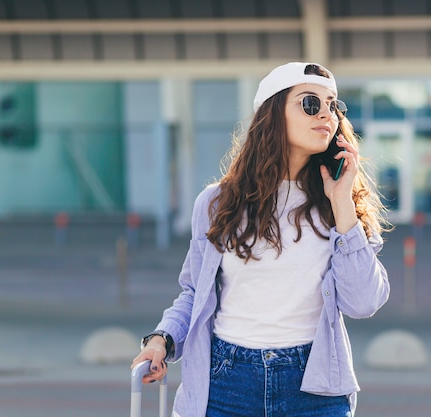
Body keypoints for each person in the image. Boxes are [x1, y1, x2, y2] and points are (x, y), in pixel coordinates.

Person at [131, 62, 390, 417]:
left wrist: (342, 203)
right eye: (311, 103)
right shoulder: (217, 203)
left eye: (334, 105)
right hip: (225, 383)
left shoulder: (340, 204)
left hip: (314, 387)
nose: (327, 114)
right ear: (272, 113)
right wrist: (162, 339)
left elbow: (363, 303)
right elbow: (195, 293)